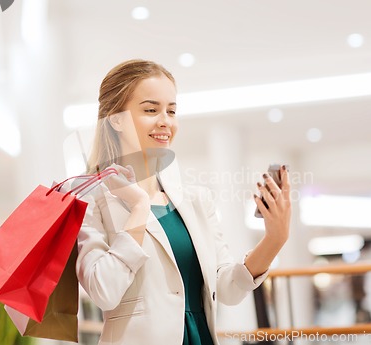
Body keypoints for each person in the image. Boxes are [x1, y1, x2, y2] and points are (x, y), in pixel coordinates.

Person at [74, 59, 291, 345]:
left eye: (171, 110)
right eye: (151, 110)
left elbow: (228, 289)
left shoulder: (196, 200)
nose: (165, 121)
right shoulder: (90, 200)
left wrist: (274, 239)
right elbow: (104, 291)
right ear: (116, 119)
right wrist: (139, 208)